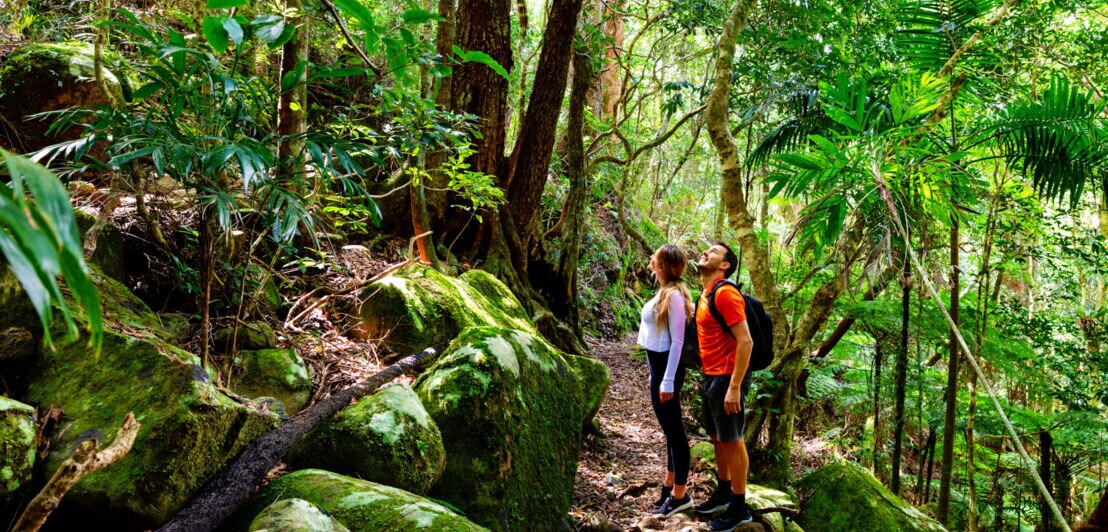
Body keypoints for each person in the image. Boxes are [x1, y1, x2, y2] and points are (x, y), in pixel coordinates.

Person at [693, 242, 755, 531]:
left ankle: (739, 508)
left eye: (714, 251)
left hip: (729, 377)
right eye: (707, 249)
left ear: (725, 265)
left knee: (733, 439)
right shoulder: (705, 294)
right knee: (718, 438)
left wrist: (734, 387)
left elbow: (746, 341)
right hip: (712, 376)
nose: (706, 252)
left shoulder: (726, 293)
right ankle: (723, 493)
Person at [637, 244, 696, 517]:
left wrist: (668, 380)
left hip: (667, 370)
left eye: (656, 256)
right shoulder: (665, 291)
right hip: (659, 367)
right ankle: (669, 484)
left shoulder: (673, 296)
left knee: (675, 432)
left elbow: (677, 341)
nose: (652, 258)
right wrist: (655, 374)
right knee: (669, 431)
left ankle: (680, 495)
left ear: (663, 265)